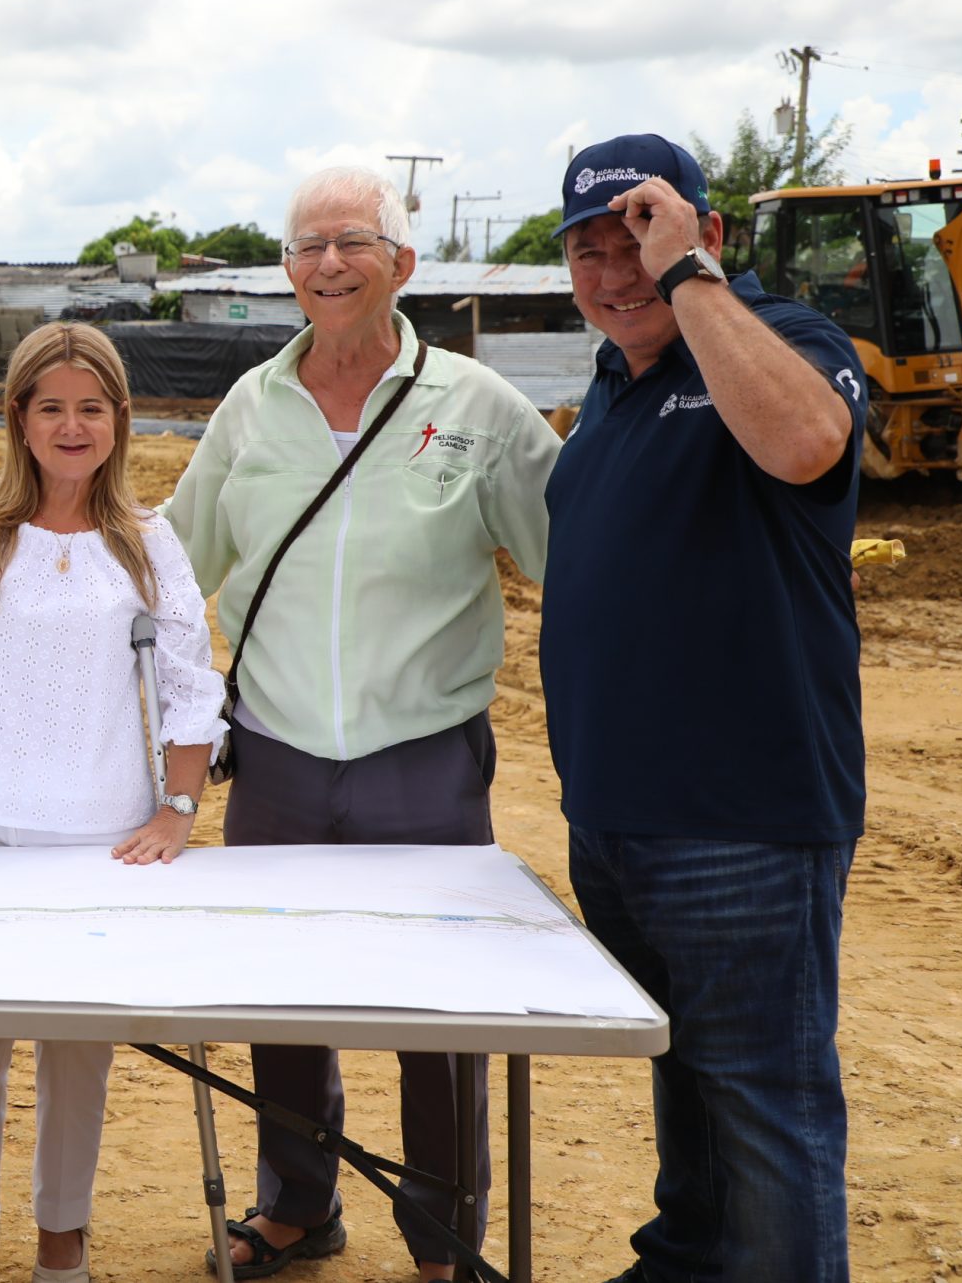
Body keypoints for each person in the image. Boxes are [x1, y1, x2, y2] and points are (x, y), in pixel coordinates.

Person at [162, 166, 557, 1281]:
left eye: (350, 241)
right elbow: (167, 565)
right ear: (284, 273)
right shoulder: (252, 405)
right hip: (280, 752)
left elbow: (572, 562)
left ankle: (440, 1239)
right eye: (304, 247)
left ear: (402, 263)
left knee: (438, 1013)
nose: (327, 264)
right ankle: (296, 1206)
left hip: (423, 757)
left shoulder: (477, 409)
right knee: (282, 993)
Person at [539, 136, 866, 1283]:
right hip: (619, 822)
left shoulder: (781, 342)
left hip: (740, 823)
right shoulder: (614, 382)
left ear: (703, 234)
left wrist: (689, 279)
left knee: (764, 1100)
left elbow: (804, 442)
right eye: (587, 251)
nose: (611, 271)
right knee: (686, 1078)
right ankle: (687, 1261)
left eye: (633, 238)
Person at [0, 322, 226, 1283]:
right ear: (19, 418)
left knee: (81, 1045)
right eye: (51, 408)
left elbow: (191, 684)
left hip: (104, 835)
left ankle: (64, 1228)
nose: (72, 426)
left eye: (91, 407)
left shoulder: (149, 541)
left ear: (118, 418)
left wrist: (179, 809)